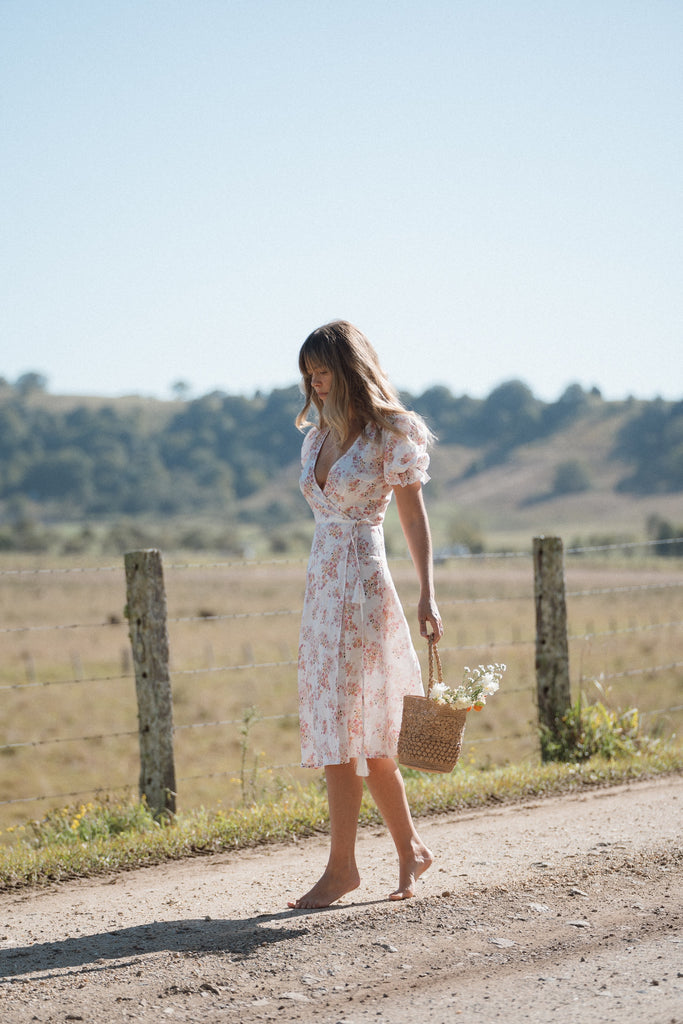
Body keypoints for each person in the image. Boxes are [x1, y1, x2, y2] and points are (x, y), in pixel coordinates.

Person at [287, 320, 443, 910]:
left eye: (322, 371)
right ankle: (396, 854)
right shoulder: (313, 437)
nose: (315, 383)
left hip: (365, 587)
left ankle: (347, 867)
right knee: (340, 729)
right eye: (308, 375)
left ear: (349, 369)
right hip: (323, 593)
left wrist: (428, 591)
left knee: (367, 732)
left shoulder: (391, 436)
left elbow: (412, 518)